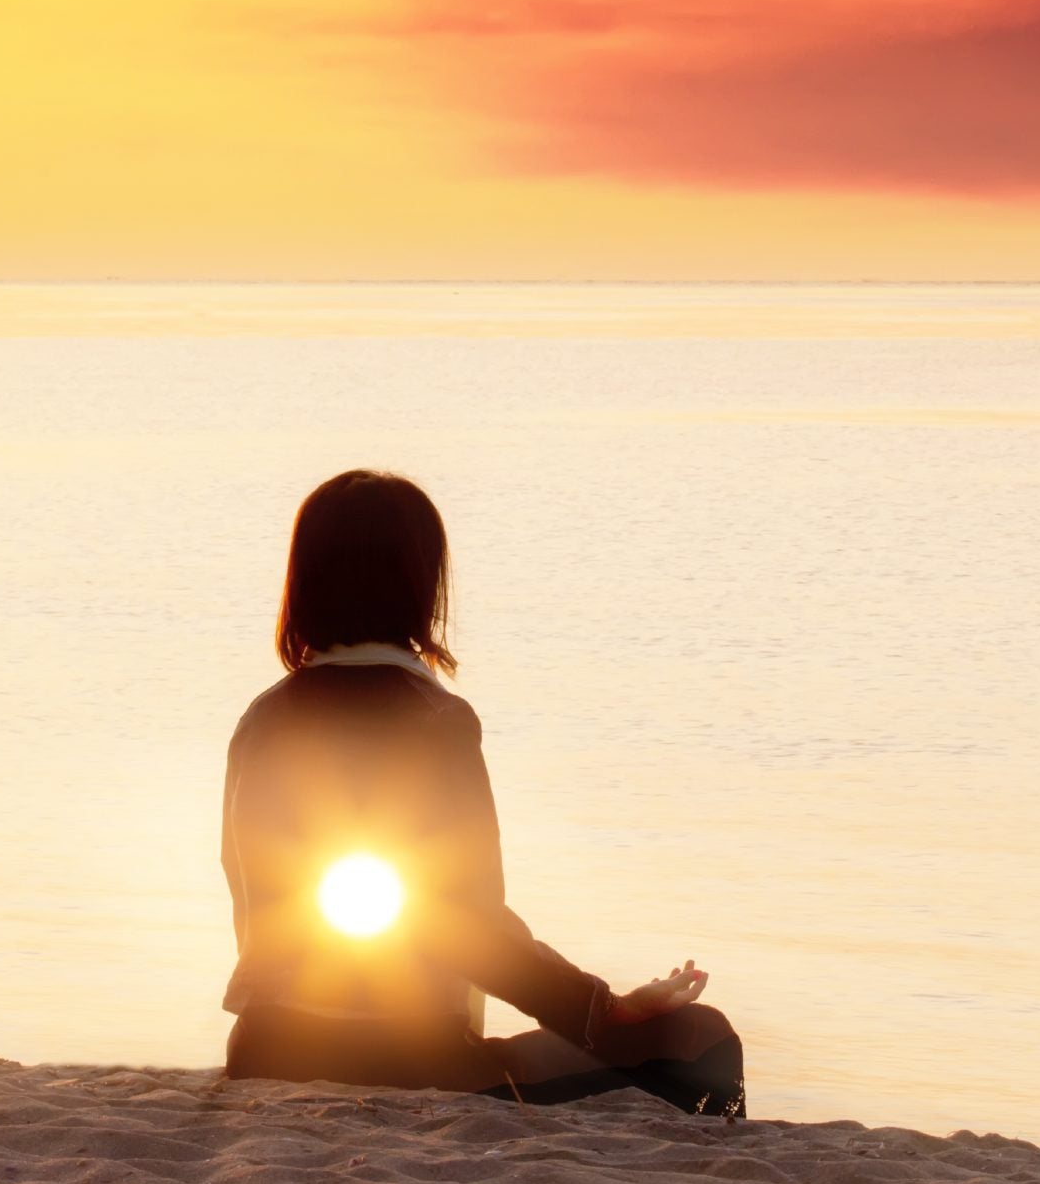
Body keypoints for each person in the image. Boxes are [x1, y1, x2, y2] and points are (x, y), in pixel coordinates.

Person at [220, 469, 745, 1117]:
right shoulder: (438, 723)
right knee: (701, 1037)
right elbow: (472, 926)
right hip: (412, 1062)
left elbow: (249, 891)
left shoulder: (261, 720)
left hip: (265, 1054)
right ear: (422, 585)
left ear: (302, 584)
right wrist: (608, 1012)